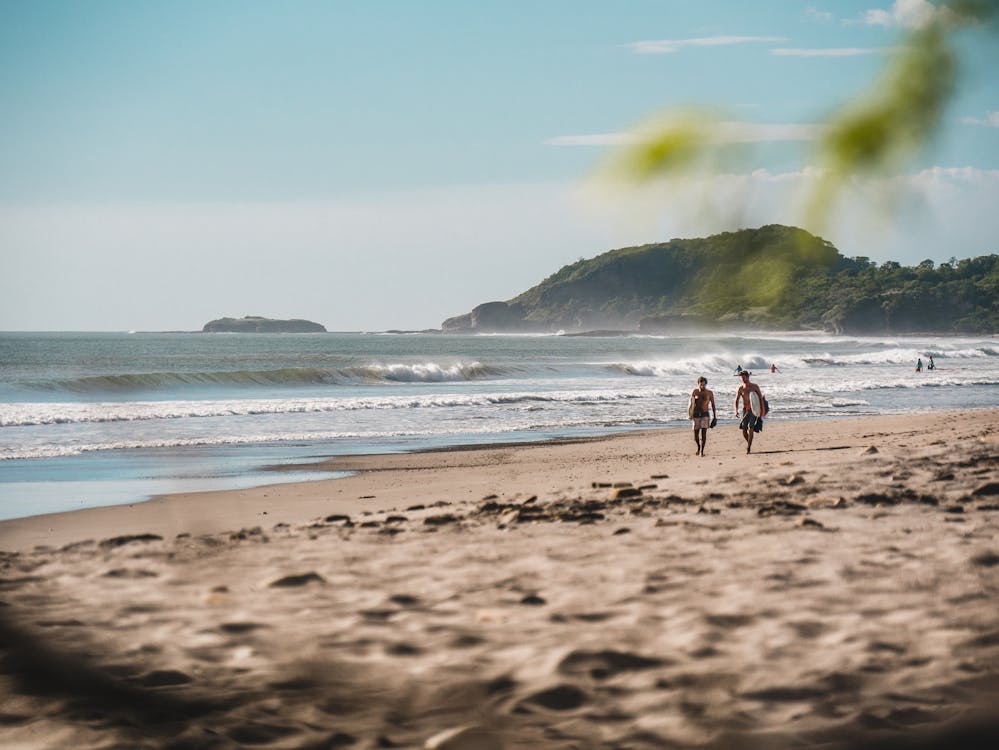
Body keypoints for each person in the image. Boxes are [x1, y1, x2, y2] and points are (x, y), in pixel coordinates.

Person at [734, 370, 766, 454]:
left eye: (744, 377)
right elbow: (736, 400)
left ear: (748, 377)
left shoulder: (754, 387)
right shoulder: (741, 388)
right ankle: (749, 443)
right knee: (744, 430)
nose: (743, 379)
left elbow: (760, 399)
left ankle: (748, 447)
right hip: (745, 410)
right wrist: (736, 410)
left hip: (753, 409)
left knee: (750, 427)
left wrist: (762, 411)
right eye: (742, 378)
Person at [689, 376, 717, 457]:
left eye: (704, 385)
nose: (702, 386)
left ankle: (702, 451)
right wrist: (690, 414)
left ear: (706, 384)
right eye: (701, 385)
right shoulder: (695, 392)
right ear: (698, 384)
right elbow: (690, 404)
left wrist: (715, 417)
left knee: (704, 434)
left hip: (705, 414)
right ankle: (698, 447)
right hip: (696, 414)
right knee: (695, 436)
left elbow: (713, 405)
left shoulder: (709, 393)